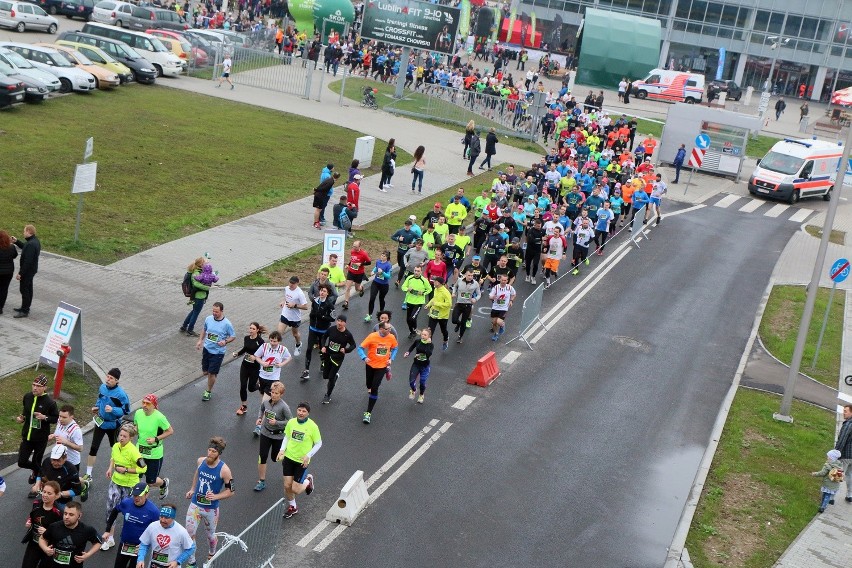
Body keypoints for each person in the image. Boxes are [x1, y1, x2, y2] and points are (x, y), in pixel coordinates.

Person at [184, 437, 234, 566]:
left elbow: (231, 491)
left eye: (213, 452)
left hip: (211, 509)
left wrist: (216, 497)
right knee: (189, 534)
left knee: (211, 535)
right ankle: (191, 562)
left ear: (219, 453)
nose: (210, 454)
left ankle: (212, 553)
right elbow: (198, 473)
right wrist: (192, 489)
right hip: (195, 505)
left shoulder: (225, 470)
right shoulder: (201, 461)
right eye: (209, 450)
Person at [102, 423, 147, 551]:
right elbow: (113, 458)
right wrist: (110, 468)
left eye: (124, 436)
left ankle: (130, 538)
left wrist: (126, 470)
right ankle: (110, 538)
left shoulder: (134, 451)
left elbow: (144, 467)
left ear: (130, 438)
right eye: (120, 435)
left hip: (129, 485)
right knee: (110, 509)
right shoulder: (116, 446)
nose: (121, 438)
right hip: (115, 482)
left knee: (129, 512)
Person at [277, 402, 321, 519]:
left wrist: (308, 455)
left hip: (302, 461)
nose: (301, 413)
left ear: (308, 413)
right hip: (289, 457)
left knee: (295, 489)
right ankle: (293, 507)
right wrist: (282, 450)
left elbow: (318, 443)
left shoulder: (312, 426)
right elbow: (287, 437)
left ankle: (307, 481)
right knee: (287, 486)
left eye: (304, 411)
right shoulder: (291, 422)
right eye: (299, 410)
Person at [84, 368, 129, 483]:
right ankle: (88, 474)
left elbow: (126, 410)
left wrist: (113, 409)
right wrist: (96, 407)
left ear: (117, 381)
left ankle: (120, 472)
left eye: (111, 378)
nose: (108, 380)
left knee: (116, 450)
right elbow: (100, 399)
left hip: (113, 425)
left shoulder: (121, 394)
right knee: (94, 447)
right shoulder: (102, 388)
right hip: (101, 422)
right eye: (108, 377)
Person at [103, 481, 160, 568]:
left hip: (139, 548)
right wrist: (107, 530)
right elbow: (114, 511)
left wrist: (147, 544)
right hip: (124, 544)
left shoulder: (153, 511)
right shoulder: (127, 503)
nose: (136, 498)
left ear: (147, 494)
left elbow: (157, 531)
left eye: (139, 495)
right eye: (134, 495)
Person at [17, 373, 59, 487]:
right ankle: (39, 472)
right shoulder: (27, 397)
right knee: (22, 462)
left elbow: (55, 418)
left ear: (45, 388)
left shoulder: (50, 402)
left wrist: (44, 417)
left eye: (38, 386)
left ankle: (37, 485)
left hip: (40, 438)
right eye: (33, 385)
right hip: (27, 436)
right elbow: (25, 412)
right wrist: (22, 418)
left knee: (36, 461)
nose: (35, 388)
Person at [133, 394, 173, 499]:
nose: (144, 405)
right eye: (143, 403)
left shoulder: (160, 417)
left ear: (154, 405)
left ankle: (163, 484)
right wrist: (134, 430)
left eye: (148, 403)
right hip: (140, 452)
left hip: (154, 454)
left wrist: (155, 439)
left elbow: (170, 431)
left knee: (151, 482)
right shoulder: (138, 413)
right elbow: (136, 426)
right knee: (136, 475)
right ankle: (136, 498)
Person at [254, 381, 292, 492]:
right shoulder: (266, 402)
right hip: (265, 433)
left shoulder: (284, 407)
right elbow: (261, 410)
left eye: (276, 393)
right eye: (272, 392)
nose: (274, 395)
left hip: (278, 436)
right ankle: (261, 481)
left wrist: (277, 423)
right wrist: (260, 418)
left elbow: (290, 421)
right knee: (262, 457)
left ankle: (288, 463)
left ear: (281, 394)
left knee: (275, 458)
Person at [39, 501, 102, 567]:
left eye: (71, 514)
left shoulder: (86, 530)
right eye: (65, 513)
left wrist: (87, 555)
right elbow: (42, 538)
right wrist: (45, 548)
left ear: (79, 516)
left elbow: (98, 542)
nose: (66, 517)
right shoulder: (54, 526)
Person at [358, 322, 399, 424]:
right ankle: (385, 372)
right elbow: (360, 348)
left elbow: (395, 348)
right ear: (381, 329)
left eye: (390, 328)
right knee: (369, 384)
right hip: (370, 364)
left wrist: (391, 359)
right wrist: (364, 357)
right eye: (387, 329)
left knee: (375, 388)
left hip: (382, 366)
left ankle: (368, 413)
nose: (390, 331)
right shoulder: (372, 336)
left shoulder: (391, 337)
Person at [196, 302, 236, 402]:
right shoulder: (208, 319)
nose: (214, 313)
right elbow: (204, 330)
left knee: (211, 373)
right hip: (207, 349)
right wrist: (200, 340)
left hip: (218, 352)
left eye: (216, 312)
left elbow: (233, 336)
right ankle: (213, 374)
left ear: (221, 311)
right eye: (213, 311)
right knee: (205, 372)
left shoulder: (227, 323)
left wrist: (225, 341)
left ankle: (208, 391)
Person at [136, 503, 195, 568]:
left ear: (173, 518)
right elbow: (144, 544)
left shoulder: (181, 531)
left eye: (166, 518)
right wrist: (140, 559)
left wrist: (177, 562)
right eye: (161, 516)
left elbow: (191, 548)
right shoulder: (152, 526)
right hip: (153, 565)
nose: (162, 520)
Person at [21, 480, 62, 568]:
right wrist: (29, 522)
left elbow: (62, 533)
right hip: (34, 543)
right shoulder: (36, 503)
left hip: (48, 547)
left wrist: (47, 532)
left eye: (49, 493)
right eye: (44, 491)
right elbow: (32, 515)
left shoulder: (59, 513)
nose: (45, 495)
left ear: (57, 495)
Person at [320, 315, 357, 404]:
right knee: (325, 376)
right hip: (328, 355)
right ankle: (335, 376)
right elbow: (324, 337)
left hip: (338, 358)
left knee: (331, 378)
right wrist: (323, 347)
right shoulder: (331, 329)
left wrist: (346, 350)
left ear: (345, 323)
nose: (339, 323)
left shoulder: (347, 334)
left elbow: (353, 345)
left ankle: (328, 395)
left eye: (341, 321)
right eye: (338, 320)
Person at [301, 284, 335, 381]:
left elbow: (333, 318)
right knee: (309, 349)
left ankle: (323, 362)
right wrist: (311, 316)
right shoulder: (315, 301)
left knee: (322, 349)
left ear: (327, 293)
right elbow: (312, 312)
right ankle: (306, 370)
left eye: (324, 291)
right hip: (313, 329)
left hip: (323, 331)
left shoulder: (329, 305)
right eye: (321, 290)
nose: (322, 292)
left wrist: (323, 317)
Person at [231, 322, 266, 416]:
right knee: (242, 386)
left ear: (257, 330)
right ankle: (244, 406)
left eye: (253, 329)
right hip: (245, 366)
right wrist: (237, 354)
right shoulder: (246, 338)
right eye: (250, 328)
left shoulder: (261, 342)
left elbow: (263, 355)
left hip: (254, 368)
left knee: (250, 388)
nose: (251, 330)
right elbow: (245, 349)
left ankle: (259, 386)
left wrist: (256, 357)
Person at [10, 225, 40, 318]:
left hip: (28, 271)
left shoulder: (31, 244)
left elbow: (27, 261)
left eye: (24, 231)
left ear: (28, 231)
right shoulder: (34, 241)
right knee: (28, 288)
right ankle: (25, 307)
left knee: (24, 289)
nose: (23, 233)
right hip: (31, 270)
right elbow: (25, 247)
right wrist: (17, 242)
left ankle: (25, 310)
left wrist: (20, 273)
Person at [278, 276, 308, 356]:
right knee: (279, 333)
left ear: (297, 283)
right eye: (290, 283)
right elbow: (286, 297)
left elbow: (305, 307)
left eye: (293, 284)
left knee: (295, 334)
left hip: (295, 318)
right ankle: (277, 350)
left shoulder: (300, 293)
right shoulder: (287, 288)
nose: (291, 285)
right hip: (285, 314)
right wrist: (283, 301)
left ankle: (298, 344)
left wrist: (294, 305)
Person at [180, 258, 211, 337]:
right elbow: (196, 284)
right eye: (205, 263)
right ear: (201, 264)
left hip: (196, 296)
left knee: (194, 311)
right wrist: (207, 287)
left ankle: (184, 326)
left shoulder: (199, 271)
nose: (207, 264)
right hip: (198, 297)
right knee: (196, 313)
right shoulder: (196, 273)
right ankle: (190, 330)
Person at [401, 265, 432, 337]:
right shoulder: (409, 278)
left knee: (412, 318)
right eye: (415, 271)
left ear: (421, 272)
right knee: (408, 320)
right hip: (409, 301)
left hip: (418, 303)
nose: (416, 272)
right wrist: (407, 289)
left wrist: (423, 293)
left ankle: (415, 329)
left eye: (418, 271)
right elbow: (403, 286)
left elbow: (429, 289)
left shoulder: (424, 280)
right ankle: (412, 331)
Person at [404, 328, 434, 404]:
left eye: (425, 335)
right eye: (422, 334)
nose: (423, 336)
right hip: (416, 364)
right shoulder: (418, 341)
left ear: (429, 336)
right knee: (411, 381)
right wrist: (408, 352)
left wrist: (428, 344)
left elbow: (429, 354)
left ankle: (421, 395)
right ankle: (413, 390)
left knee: (422, 382)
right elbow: (412, 347)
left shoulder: (431, 345)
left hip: (425, 366)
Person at [451, 268, 481, 344]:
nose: (470, 277)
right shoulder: (460, 280)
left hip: (468, 305)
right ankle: (458, 323)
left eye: (472, 275)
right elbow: (455, 286)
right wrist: (453, 293)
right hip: (459, 303)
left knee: (464, 322)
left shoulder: (475, 283)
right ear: (465, 275)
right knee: (454, 320)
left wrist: (475, 299)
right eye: (469, 275)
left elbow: (479, 294)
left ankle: (460, 337)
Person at [50, 405, 84, 471]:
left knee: (70, 481)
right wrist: (53, 435)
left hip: (71, 462)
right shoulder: (59, 422)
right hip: (58, 459)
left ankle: (83, 481)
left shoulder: (76, 430)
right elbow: (59, 434)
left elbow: (80, 448)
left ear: (72, 417)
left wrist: (66, 442)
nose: (61, 419)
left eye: (64, 417)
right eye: (60, 416)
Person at [342, 241, 371, 310]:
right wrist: (348, 265)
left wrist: (360, 264)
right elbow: (352, 260)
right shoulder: (352, 251)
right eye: (353, 246)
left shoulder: (363, 254)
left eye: (355, 246)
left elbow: (369, 262)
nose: (353, 247)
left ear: (359, 247)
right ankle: (346, 302)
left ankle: (361, 288)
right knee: (348, 287)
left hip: (359, 273)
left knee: (357, 288)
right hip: (351, 272)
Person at [424, 276, 452, 350]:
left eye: (435, 281)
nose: (433, 282)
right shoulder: (436, 289)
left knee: (443, 330)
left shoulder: (446, 293)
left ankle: (445, 340)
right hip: (433, 314)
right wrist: (429, 304)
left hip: (442, 316)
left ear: (439, 283)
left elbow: (449, 304)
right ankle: (428, 347)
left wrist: (436, 304)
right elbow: (434, 298)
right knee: (430, 330)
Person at [365, 251, 392, 322]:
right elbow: (376, 268)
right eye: (382, 255)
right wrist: (373, 271)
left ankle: (381, 314)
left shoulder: (388, 265)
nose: (382, 257)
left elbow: (389, 276)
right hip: (376, 283)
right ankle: (369, 315)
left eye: (384, 256)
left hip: (384, 285)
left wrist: (382, 273)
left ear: (387, 258)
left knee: (381, 299)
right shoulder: (378, 262)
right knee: (372, 298)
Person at [488, 273, 516, 341]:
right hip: (495, 307)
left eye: (505, 280)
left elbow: (514, 294)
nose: (503, 281)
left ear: (507, 281)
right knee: (494, 322)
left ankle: (502, 325)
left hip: (504, 308)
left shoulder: (509, 287)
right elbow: (490, 296)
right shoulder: (496, 287)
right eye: (502, 280)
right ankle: (495, 334)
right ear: (500, 279)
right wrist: (493, 297)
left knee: (499, 322)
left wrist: (511, 301)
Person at [835, 404, 852, 502]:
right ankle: (850, 495)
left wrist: (836, 453)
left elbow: (842, 439)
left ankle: (831, 496)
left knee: (838, 474)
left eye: (845, 411)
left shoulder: (848, 424)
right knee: (850, 474)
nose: (843, 413)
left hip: (845, 455)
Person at [0, 229, 17, 314]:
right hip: (8, 272)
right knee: (4, 289)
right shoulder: (11, 247)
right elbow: (15, 256)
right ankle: (0, 307)